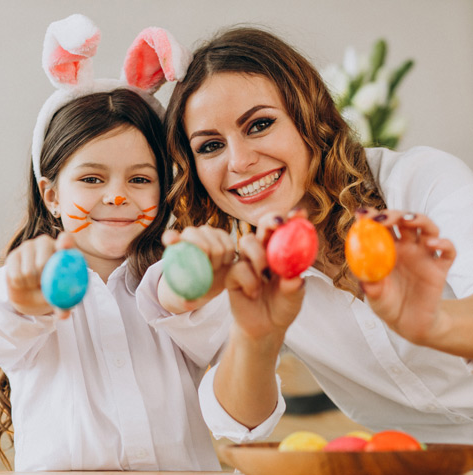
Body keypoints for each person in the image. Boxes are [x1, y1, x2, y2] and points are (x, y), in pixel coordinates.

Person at [160, 26, 473, 443]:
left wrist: (433, 323)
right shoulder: (241, 265)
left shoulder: (419, 183)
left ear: (310, 116)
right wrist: (257, 336)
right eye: (210, 146)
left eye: (259, 125)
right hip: (416, 473)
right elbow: (237, 425)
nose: (239, 161)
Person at [0, 14, 246, 472]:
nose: (117, 195)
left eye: (140, 178)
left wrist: (193, 294)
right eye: (92, 178)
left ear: (164, 191)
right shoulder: (23, 281)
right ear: (53, 196)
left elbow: (216, 342)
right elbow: (3, 331)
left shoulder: (170, 277)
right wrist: (27, 298)